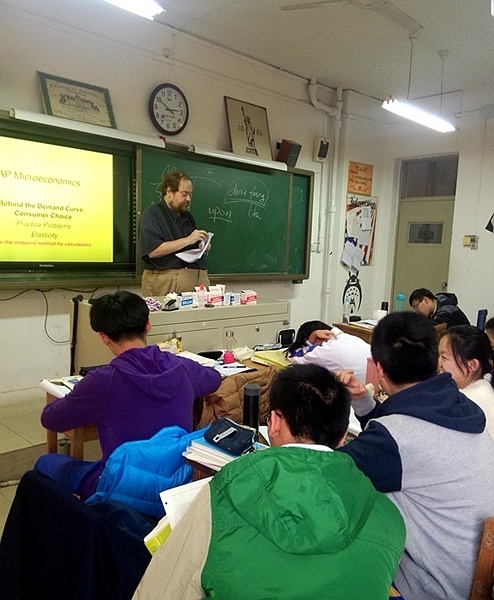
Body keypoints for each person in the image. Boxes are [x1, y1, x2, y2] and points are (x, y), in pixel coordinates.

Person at [132, 364, 406, 600]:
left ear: (274, 422)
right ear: (343, 435)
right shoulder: (388, 517)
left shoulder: (225, 493)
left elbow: (163, 591)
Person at [338, 311, 494, 600]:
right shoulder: (460, 406)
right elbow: (404, 433)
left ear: (379, 369)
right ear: (435, 364)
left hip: (436, 588)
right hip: (474, 576)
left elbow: (330, 473)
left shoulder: (393, 440)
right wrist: (363, 401)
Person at [35, 291, 221, 501]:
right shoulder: (182, 367)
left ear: (103, 337)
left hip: (122, 487)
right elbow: (214, 378)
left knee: (46, 463)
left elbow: (50, 419)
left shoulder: (102, 381)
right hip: (177, 481)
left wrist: (80, 397)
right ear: (148, 324)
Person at [139, 169, 210, 296]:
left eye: (190, 194)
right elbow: (153, 251)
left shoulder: (187, 216)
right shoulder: (152, 214)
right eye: (184, 194)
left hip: (195, 280)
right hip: (166, 282)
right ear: (169, 192)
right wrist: (188, 240)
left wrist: (202, 245)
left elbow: (191, 243)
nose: (188, 199)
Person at [438, 324, 494, 440]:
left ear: (472, 365)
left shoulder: (466, 401)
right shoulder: (484, 386)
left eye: (444, 358)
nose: (438, 363)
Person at [287, 319, 371, 382]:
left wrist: (310, 341)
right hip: (375, 387)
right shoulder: (348, 337)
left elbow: (293, 359)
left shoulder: (323, 351)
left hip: (362, 392)